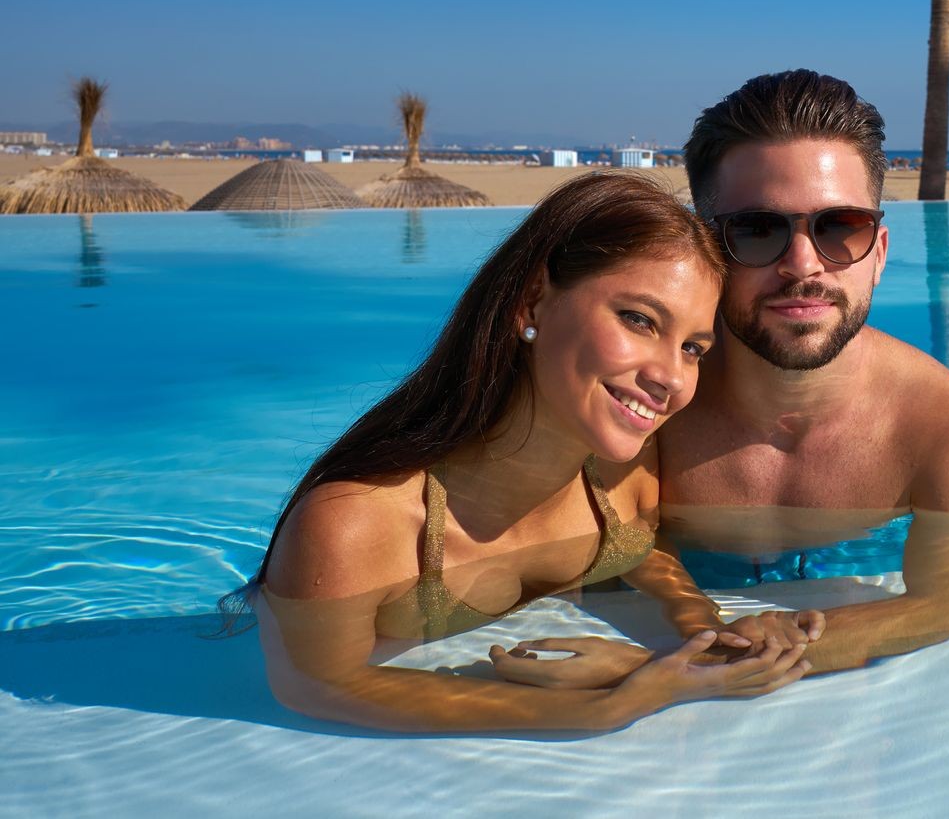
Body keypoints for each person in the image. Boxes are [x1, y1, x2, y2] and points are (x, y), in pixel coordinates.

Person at [234, 173, 815, 733]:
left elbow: (642, 550)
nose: (670, 376)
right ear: (532, 301)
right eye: (639, 319)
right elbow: (315, 686)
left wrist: (700, 625)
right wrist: (604, 707)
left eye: (692, 347)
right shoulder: (354, 525)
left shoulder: (623, 473)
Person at [495, 70, 949, 691]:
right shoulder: (639, 396)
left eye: (840, 227)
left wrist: (678, 666)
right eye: (757, 229)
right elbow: (596, 540)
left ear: (878, 252)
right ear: (707, 248)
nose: (803, 266)